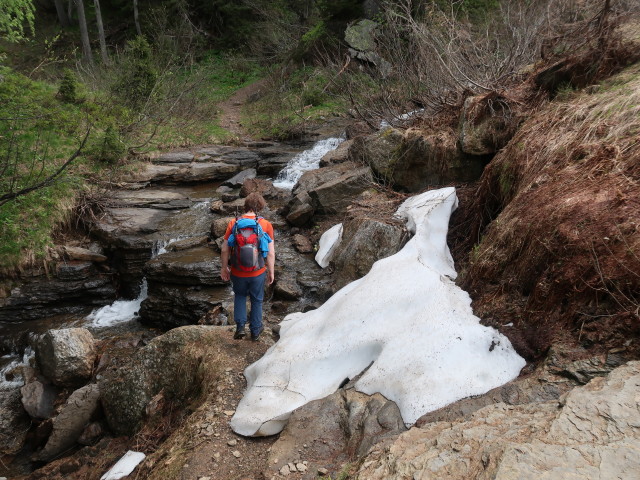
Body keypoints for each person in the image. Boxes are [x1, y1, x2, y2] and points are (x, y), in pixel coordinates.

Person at [221, 193, 275, 341]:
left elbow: (225, 249)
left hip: (238, 271)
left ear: (246, 205)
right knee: (257, 300)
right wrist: (271, 271)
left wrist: (224, 268)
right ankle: (255, 331)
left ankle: (240, 328)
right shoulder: (265, 225)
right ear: (261, 207)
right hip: (258, 271)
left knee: (239, 296)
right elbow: (270, 252)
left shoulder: (234, 223)